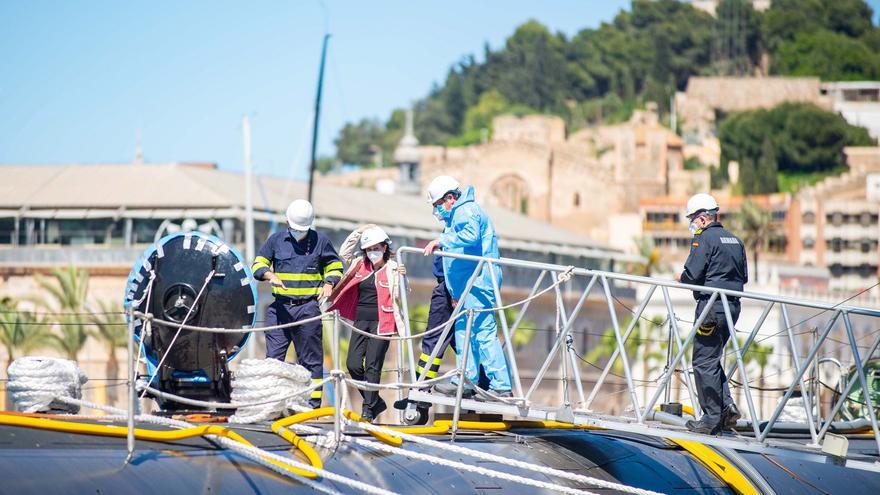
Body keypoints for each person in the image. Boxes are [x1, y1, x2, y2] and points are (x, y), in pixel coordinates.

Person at [423, 175, 512, 399]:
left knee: (483, 331)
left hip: (479, 282)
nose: (436, 211)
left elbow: (470, 236)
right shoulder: (457, 214)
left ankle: (501, 385)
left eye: (437, 205)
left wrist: (441, 241)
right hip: (467, 285)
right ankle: (466, 379)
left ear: (450, 199)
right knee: (463, 331)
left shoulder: (466, 210)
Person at [251, 199, 343, 409]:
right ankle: (272, 404)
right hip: (280, 309)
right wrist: (268, 275)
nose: (298, 233)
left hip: (308, 309)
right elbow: (258, 263)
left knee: (311, 361)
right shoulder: (275, 241)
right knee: (273, 360)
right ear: (287, 222)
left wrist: (329, 283)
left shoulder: (321, 241)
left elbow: (335, 266)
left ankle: (311, 405)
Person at [676, 193, 747, 435]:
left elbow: (693, 274)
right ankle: (726, 408)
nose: (693, 224)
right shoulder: (735, 240)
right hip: (732, 308)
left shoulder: (703, 239)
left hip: (711, 309)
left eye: (693, 219)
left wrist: (681, 278)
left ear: (704, 218)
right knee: (712, 358)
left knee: (703, 361)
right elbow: (743, 277)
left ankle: (710, 419)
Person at [329, 225, 406, 422]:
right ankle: (375, 401)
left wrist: (401, 277)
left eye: (377, 248)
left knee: (373, 365)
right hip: (360, 320)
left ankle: (368, 410)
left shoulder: (393, 267)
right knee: (353, 364)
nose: (373, 253)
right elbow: (343, 254)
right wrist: (359, 231)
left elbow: (400, 295)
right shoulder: (359, 263)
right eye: (369, 249)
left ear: (385, 248)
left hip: (383, 322)